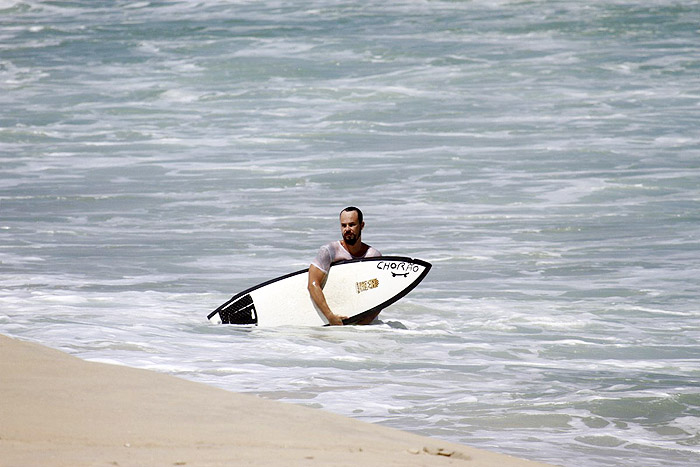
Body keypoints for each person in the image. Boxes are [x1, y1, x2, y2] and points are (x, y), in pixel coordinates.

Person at [308, 207, 382, 325]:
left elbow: (382, 291)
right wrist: (330, 317)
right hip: (335, 320)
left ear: (362, 225)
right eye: (343, 225)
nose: (347, 229)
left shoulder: (373, 256)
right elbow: (313, 285)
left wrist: (366, 321)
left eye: (352, 225)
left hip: (369, 325)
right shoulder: (330, 251)